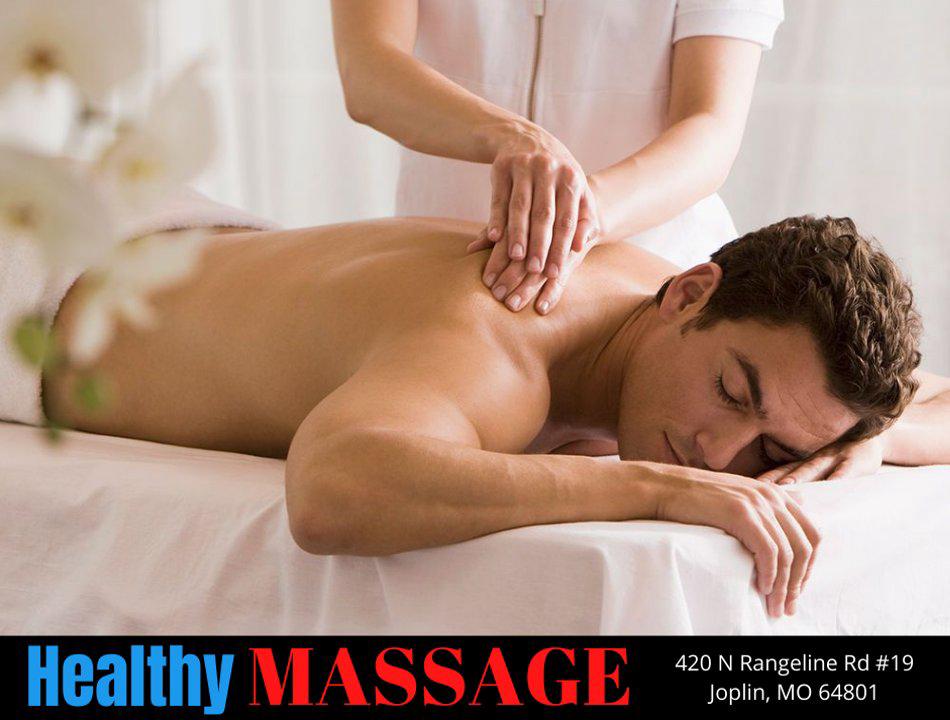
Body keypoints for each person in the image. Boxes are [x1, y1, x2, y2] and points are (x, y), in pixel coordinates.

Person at [38, 213, 949, 619]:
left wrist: (867, 442)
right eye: (733, 394)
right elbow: (331, 491)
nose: (721, 454)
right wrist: (656, 491)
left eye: (773, 445)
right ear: (690, 292)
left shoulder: (702, 318)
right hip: (39, 290)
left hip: (179, 239)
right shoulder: (498, 346)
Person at [331, 0, 784, 314]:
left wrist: (583, 215)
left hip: (646, 294)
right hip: (448, 282)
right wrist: (514, 137)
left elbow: (710, 126)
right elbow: (369, 70)